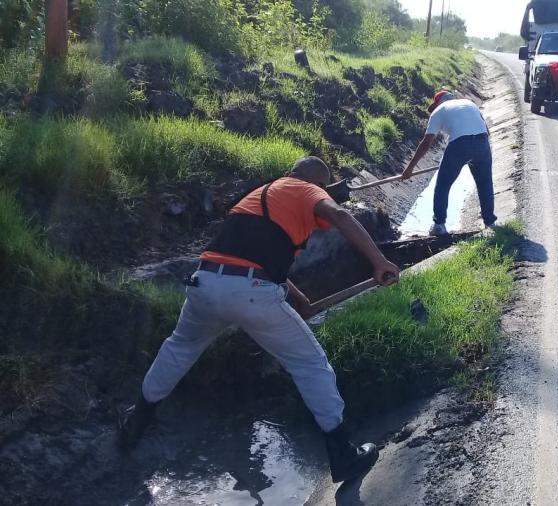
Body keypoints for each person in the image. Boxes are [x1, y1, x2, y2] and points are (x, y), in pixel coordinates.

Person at [118, 156, 401, 484]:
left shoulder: (260, 195)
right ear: (316, 184)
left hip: (205, 282)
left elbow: (255, 256)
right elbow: (338, 215)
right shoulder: (306, 190)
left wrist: (299, 298)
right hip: (251, 291)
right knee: (310, 363)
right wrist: (379, 261)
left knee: (179, 347)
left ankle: (136, 422)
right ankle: (342, 454)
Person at [402, 90, 497, 235]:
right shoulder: (469, 103)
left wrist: (409, 169)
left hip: (459, 144)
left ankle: (439, 225)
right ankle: (490, 222)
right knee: (485, 183)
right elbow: (486, 130)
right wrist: (474, 154)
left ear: (438, 103)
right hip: (482, 142)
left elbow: (426, 143)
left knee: (443, 185)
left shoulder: (438, 111)